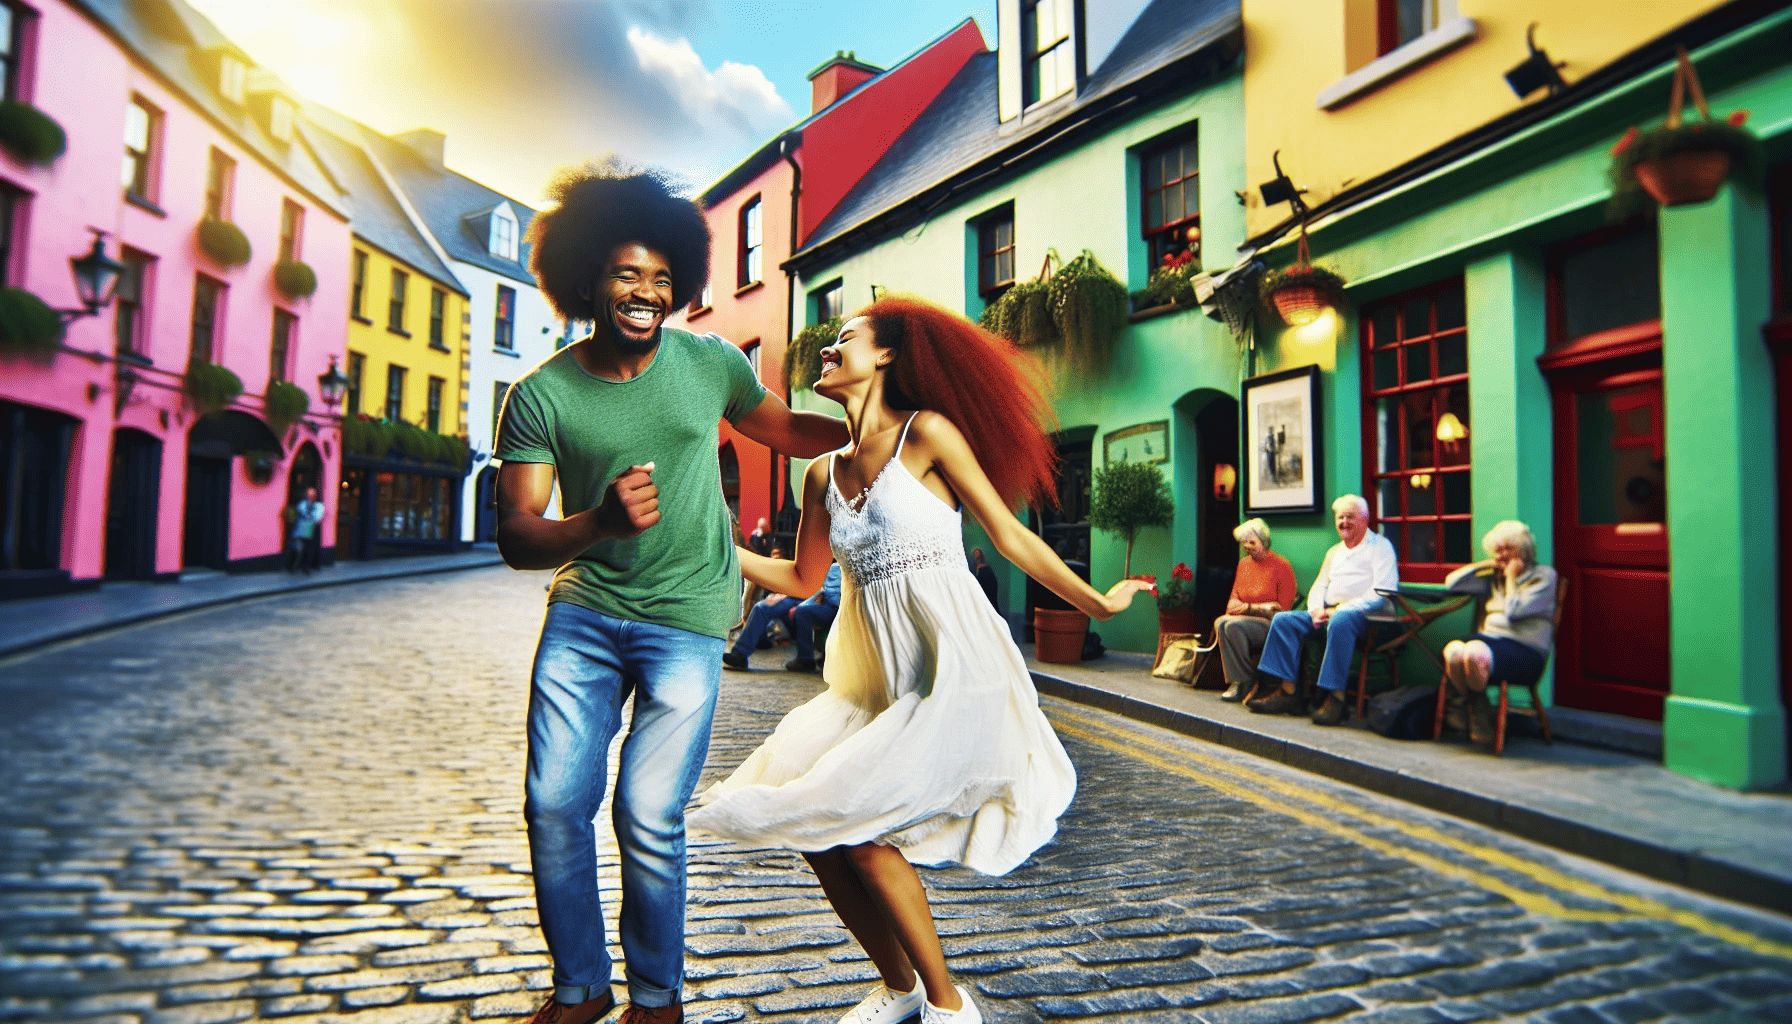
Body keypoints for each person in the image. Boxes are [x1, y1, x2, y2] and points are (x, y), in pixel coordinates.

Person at [688, 297, 1152, 1024]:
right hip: (874, 678)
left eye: (846, 338)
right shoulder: (819, 473)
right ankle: (898, 985)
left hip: (951, 666)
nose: (828, 349)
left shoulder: (928, 435)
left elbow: (1008, 535)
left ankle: (948, 1004)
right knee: (816, 828)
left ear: (888, 356)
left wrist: (1097, 605)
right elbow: (802, 581)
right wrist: (714, 547)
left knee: (866, 837)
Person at [495, 164, 851, 1024]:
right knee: (554, 803)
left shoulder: (711, 363)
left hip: (689, 619)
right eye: (627, 273)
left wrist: (886, 424)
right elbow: (517, 536)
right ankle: (579, 986)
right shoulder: (540, 395)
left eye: (662, 277)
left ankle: (657, 1001)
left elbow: (787, 430)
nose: (647, 292)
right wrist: (599, 523)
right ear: (588, 279)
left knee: (649, 811)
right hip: (583, 615)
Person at [1247, 494, 1397, 726]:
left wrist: (1340, 609)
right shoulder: (1334, 552)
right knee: (1284, 620)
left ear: (1365, 520)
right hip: (1330, 616)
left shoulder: (1380, 546)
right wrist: (1317, 609)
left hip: (1370, 619)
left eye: (1350, 517)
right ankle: (1288, 693)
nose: (1344, 522)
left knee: (1342, 619)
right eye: (1340, 517)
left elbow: (1382, 592)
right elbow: (1320, 585)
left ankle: (1336, 697)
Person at [1441, 521, 1557, 747]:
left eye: (1508, 549)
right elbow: (1452, 584)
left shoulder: (1544, 576)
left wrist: (1512, 578)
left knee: (1474, 653)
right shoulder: (1494, 575)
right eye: (1497, 551)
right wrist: (1485, 564)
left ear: (1523, 549)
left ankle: (1476, 712)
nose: (1502, 555)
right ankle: (1478, 708)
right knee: (1453, 651)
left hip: (1526, 651)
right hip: (1492, 643)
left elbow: (1514, 612)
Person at [1213, 518, 1298, 703]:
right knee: (1222, 622)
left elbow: (1281, 610)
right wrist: (1259, 607)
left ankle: (1243, 681)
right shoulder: (1244, 565)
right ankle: (1242, 679)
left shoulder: (1281, 566)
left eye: (1252, 542)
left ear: (1264, 542)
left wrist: (1246, 609)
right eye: (1244, 542)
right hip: (1248, 619)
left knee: (1232, 625)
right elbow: (1231, 605)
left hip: (1272, 625)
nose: (1247, 546)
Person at [724, 579, 801, 670]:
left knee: (762, 608)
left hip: (801, 594)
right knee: (764, 607)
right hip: (795, 591)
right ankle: (759, 641)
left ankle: (740, 654)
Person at [284, 488, 324, 575]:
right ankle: (292, 567)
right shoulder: (302, 504)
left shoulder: (319, 505)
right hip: (301, 528)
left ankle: (305, 567)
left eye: (312, 494)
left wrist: (309, 516)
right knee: (297, 548)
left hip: (312, 528)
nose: (310, 496)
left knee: (309, 549)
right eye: (309, 494)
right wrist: (309, 515)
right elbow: (302, 511)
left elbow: (317, 517)